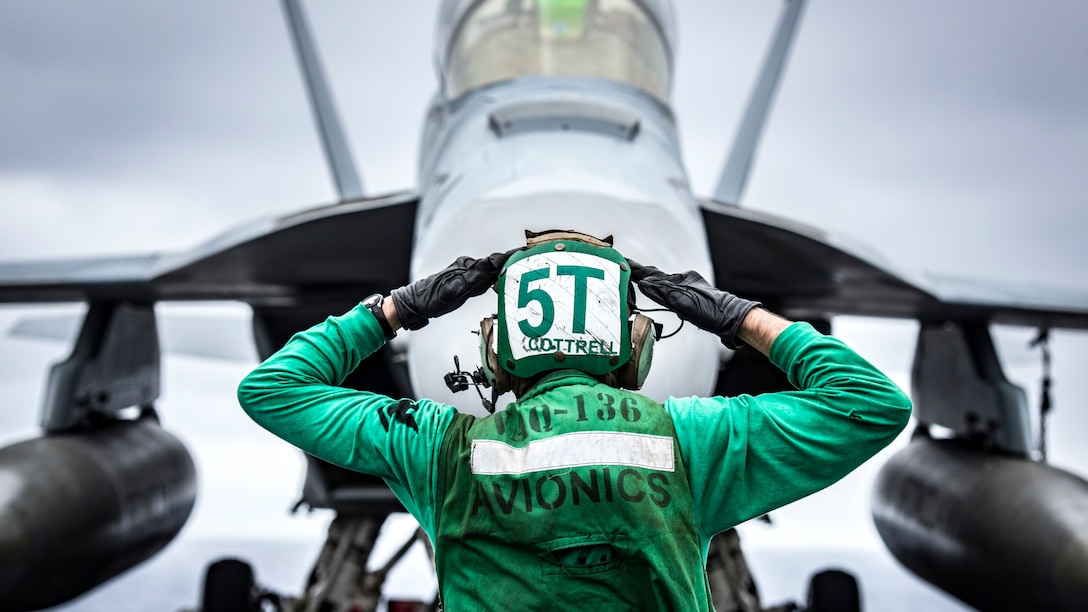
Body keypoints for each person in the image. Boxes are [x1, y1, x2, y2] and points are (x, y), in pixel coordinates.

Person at [238, 230, 912, 611]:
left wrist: (397, 310)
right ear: (636, 346)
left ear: (496, 353)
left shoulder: (439, 448)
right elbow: (872, 405)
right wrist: (737, 318)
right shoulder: (694, 440)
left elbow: (273, 390)